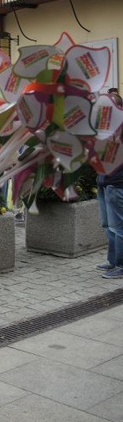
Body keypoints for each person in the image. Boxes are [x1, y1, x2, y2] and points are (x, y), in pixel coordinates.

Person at [96, 88, 123, 279]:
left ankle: (121, 266)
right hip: (104, 181)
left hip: (117, 182)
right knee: (108, 225)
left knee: (118, 227)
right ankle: (112, 261)